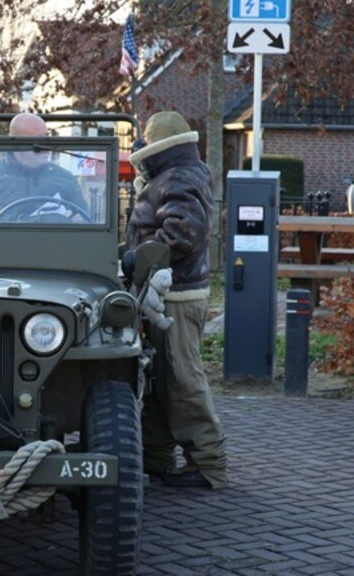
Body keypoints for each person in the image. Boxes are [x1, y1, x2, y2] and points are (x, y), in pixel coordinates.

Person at [124, 110, 228, 490]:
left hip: (175, 297)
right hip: (170, 293)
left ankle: (208, 464)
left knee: (182, 380)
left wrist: (136, 258)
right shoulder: (182, 175)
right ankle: (157, 458)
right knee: (160, 380)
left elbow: (183, 233)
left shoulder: (176, 178)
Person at [0, 112, 89, 221]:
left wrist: (79, 221)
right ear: (16, 143)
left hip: (53, 244)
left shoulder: (64, 179)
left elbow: (86, 220)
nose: (46, 147)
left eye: (47, 138)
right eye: (38, 141)